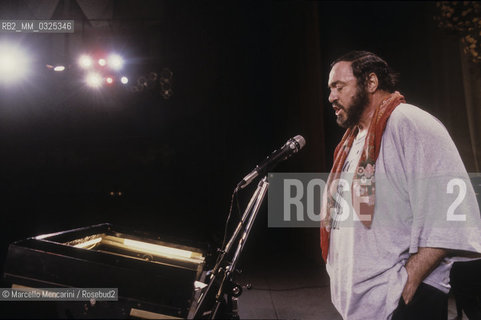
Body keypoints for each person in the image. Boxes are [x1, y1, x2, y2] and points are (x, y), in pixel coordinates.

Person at [319, 51, 481, 320]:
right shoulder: (352, 140)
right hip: (365, 303)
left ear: (371, 82)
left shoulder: (409, 121)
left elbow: (453, 210)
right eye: (330, 88)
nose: (331, 97)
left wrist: (411, 276)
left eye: (339, 86)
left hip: (402, 300)